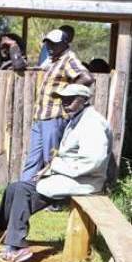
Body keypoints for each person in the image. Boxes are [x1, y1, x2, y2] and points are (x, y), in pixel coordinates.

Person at [0, 84, 111, 262]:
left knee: (24, 190)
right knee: (15, 187)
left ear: (84, 100)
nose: (65, 103)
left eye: (71, 99)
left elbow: (93, 162)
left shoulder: (92, 123)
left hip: (84, 182)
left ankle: (17, 248)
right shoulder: (78, 118)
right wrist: (51, 169)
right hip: (71, 178)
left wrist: (56, 168)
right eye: (63, 99)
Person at [21, 28, 94, 182]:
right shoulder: (54, 60)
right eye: (48, 44)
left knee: (51, 159)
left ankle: (54, 200)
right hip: (41, 116)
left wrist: (67, 92)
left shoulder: (68, 59)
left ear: (64, 44)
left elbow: (87, 78)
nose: (50, 47)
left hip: (54, 116)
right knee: (32, 160)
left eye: (54, 44)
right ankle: (21, 195)